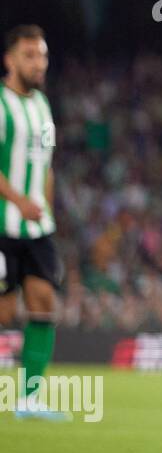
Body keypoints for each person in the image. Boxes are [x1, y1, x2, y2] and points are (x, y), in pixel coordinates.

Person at [0, 25, 67, 421]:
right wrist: (18, 200)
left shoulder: (42, 106)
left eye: (42, 55)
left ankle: (29, 398)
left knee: (43, 301)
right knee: (5, 312)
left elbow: (46, 166)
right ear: (9, 60)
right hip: (3, 223)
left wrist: (46, 208)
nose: (38, 62)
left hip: (38, 229)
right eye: (29, 55)